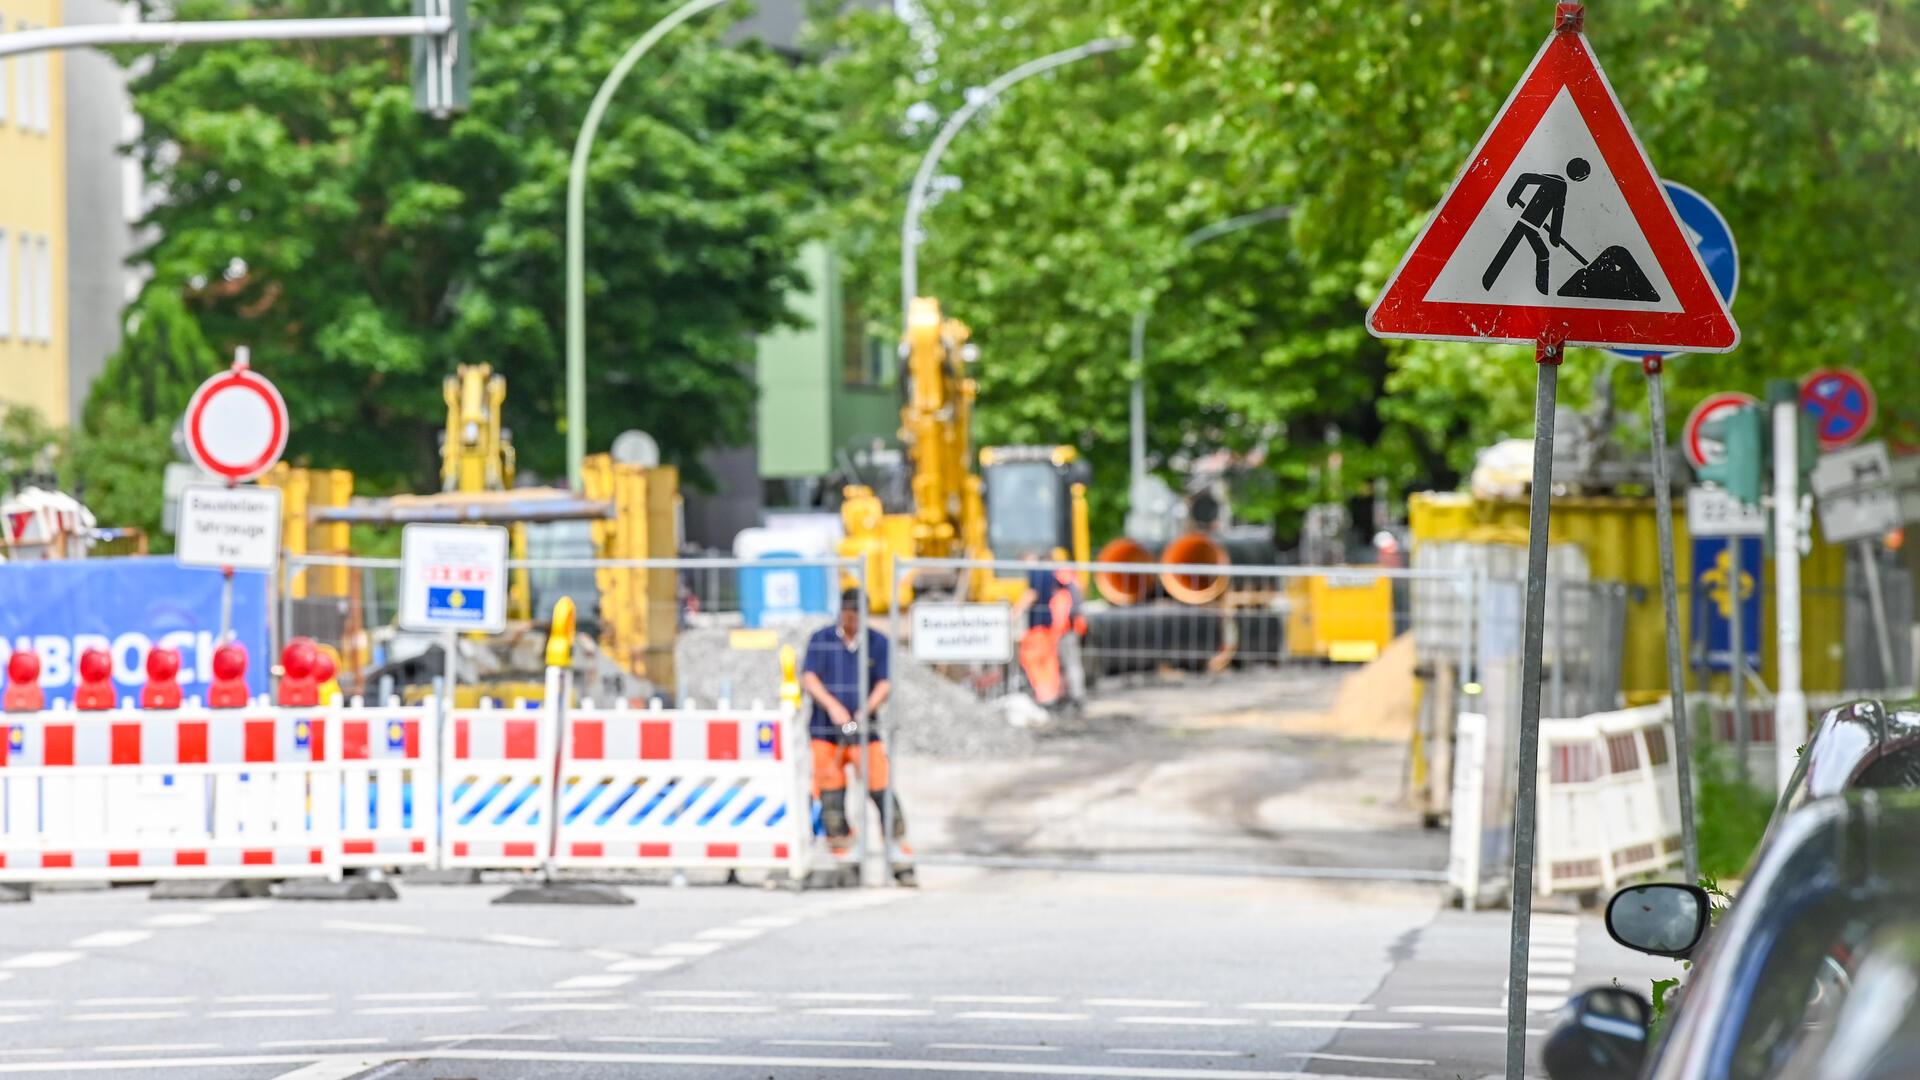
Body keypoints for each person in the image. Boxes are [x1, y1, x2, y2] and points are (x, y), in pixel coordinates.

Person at [801, 589, 914, 884]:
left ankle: (899, 860)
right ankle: (845, 861)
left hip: (865, 730)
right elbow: (809, 677)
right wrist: (834, 707)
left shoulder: (877, 643)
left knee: (881, 788)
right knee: (830, 797)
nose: (850, 625)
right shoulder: (822, 640)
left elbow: (885, 683)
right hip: (827, 730)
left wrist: (865, 710)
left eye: (855, 619)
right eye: (846, 618)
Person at [1482, 156, 1591, 295]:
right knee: (1536, 252)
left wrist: (1554, 237)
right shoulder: (1559, 183)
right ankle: (1541, 293)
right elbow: (1558, 211)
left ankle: (1487, 281)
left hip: (1530, 224)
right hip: (1528, 223)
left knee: (1511, 249)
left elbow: (1526, 179)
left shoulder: (1558, 181)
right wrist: (1554, 237)